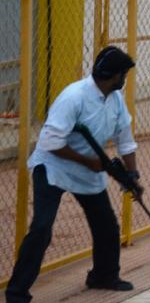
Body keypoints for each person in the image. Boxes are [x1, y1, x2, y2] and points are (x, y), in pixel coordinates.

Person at [6, 46, 142, 303]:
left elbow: (125, 140)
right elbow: (49, 142)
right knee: (42, 228)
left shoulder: (114, 99)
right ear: (114, 75)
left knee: (106, 225)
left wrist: (132, 176)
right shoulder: (73, 97)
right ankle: (16, 293)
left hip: (88, 168)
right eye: (123, 74)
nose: (124, 79)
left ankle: (103, 275)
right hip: (53, 167)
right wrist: (86, 161)